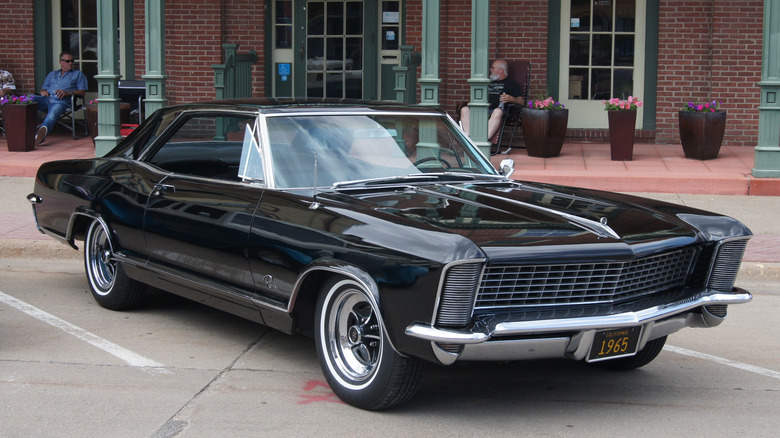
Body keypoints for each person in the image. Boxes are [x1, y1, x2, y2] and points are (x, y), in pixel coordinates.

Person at [459, 59, 524, 143]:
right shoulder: (487, 82)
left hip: (498, 110)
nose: (490, 69)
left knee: (497, 111)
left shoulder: (511, 83)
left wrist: (511, 99)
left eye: (493, 68)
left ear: (501, 70)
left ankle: (483, 139)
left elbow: (522, 102)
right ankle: (469, 139)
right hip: (481, 109)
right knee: (464, 109)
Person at [32, 52, 88, 146]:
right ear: (60, 62)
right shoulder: (52, 74)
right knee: (27, 99)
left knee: (52, 114)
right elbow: (43, 89)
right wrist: (43, 92)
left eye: (72, 61)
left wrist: (68, 93)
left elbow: (82, 92)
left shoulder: (78, 74)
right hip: (46, 99)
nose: (70, 63)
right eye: (67, 61)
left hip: (61, 101)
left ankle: (40, 136)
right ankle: (20, 131)